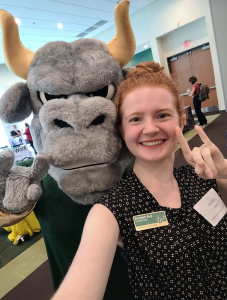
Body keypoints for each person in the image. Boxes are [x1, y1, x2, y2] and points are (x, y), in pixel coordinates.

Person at [40, 62, 227, 299]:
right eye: (136, 119)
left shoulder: (201, 177)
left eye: (162, 115)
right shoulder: (111, 209)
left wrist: (224, 173)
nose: (150, 129)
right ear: (121, 130)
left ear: (180, 122)